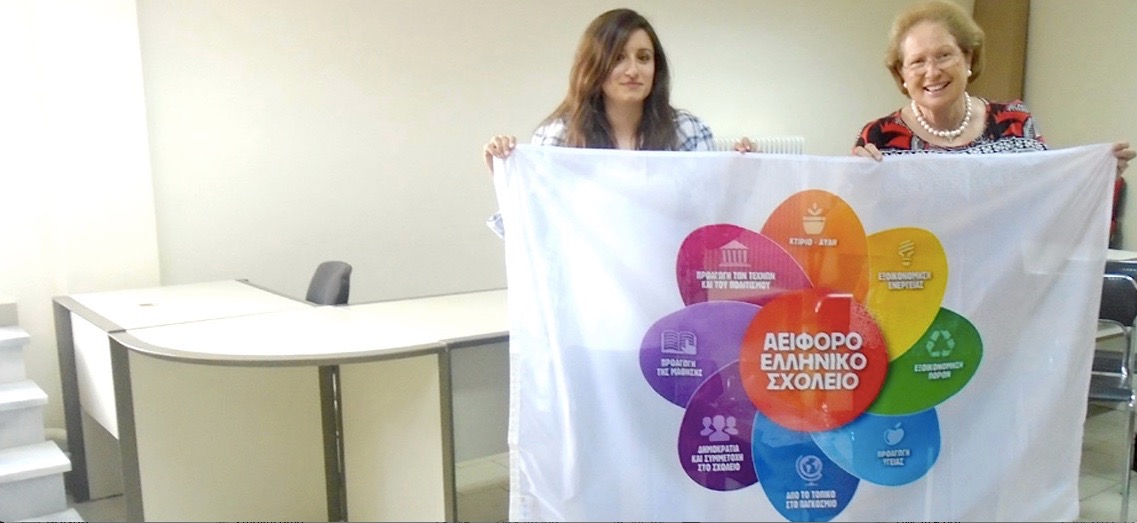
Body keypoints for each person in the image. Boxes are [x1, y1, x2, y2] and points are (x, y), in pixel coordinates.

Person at [482, 9, 715, 234]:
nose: (633, 70)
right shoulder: (558, 135)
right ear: (594, 65)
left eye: (643, 58)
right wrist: (504, 174)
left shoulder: (688, 131)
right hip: (582, 263)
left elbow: (711, 218)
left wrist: (735, 172)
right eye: (618, 58)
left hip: (669, 261)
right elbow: (534, 228)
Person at [851, 0, 1133, 175]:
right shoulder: (878, 136)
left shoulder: (1015, 121)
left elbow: (1048, 193)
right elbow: (855, 224)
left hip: (1007, 259)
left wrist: (1096, 173)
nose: (932, 72)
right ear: (901, 72)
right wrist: (853, 181)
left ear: (968, 57)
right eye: (917, 62)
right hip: (916, 258)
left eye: (944, 55)